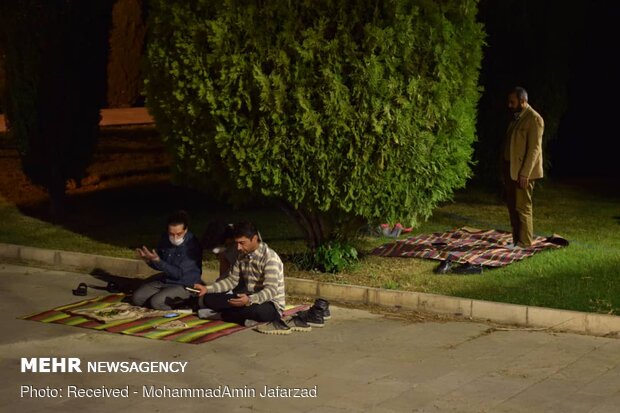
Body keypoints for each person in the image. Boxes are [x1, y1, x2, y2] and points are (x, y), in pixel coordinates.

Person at [192, 221, 307, 335]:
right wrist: (207, 289)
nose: (238, 247)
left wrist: (250, 300)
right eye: (237, 243)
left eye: (242, 243)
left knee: (259, 312)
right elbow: (231, 281)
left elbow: (271, 290)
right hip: (247, 299)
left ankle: (223, 315)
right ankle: (237, 316)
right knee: (209, 298)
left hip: (269, 304)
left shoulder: (270, 258)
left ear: (254, 239)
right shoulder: (241, 256)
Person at [132, 210, 202, 310]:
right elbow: (160, 264)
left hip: (184, 284)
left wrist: (158, 261)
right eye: (171, 233)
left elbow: (178, 274)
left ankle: (187, 303)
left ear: (186, 230)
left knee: (156, 303)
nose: (175, 237)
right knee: (137, 298)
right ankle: (165, 298)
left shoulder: (192, 246)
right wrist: (149, 260)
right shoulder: (165, 238)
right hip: (165, 280)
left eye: (179, 234)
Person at [502, 86, 544, 247]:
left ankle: (525, 243)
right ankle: (516, 241)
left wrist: (525, 173)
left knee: (523, 207)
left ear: (523, 101)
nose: (509, 105)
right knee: (513, 207)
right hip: (511, 171)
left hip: (523, 173)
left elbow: (534, 149)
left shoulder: (534, 119)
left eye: (512, 102)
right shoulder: (517, 118)